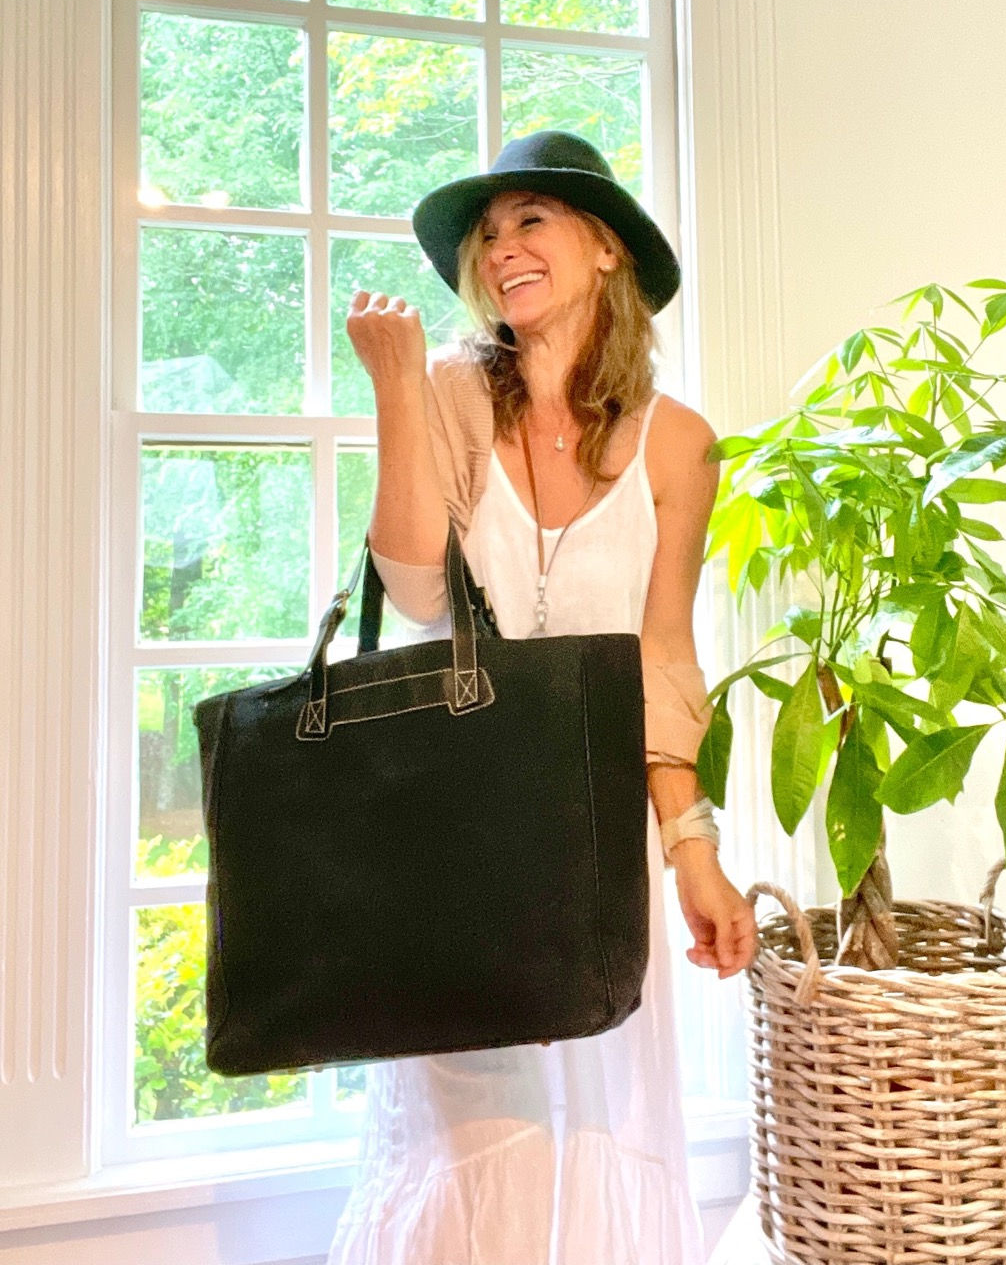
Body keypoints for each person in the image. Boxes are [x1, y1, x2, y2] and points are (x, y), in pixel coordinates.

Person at [326, 130, 756, 1265]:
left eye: (531, 220)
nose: (502, 248)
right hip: (463, 830)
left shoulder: (680, 445)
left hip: (603, 836)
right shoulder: (455, 394)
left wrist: (693, 846)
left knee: (602, 1128)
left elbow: (663, 653)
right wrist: (394, 393)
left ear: (604, 249)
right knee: (475, 1132)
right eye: (487, 232)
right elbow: (415, 584)